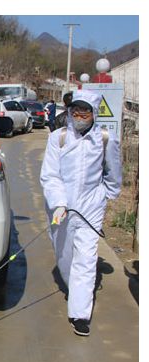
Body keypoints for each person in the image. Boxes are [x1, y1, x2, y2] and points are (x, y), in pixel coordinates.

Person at [40, 90, 122, 336]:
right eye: (75, 110)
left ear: (94, 113)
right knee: (64, 255)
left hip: (91, 208)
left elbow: (113, 172)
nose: (79, 115)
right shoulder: (58, 138)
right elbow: (50, 175)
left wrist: (105, 196)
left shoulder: (105, 139)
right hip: (61, 208)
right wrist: (59, 203)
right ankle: (73, 289)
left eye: (85, 110)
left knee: (86, 259)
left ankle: (79, 314)